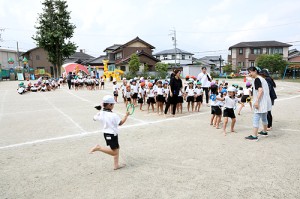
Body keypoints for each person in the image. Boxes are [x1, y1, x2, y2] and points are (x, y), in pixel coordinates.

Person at [90, 95, 129, 170]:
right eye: (112, 104)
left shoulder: (101, 113)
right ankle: (99, 148)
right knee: (115, 152)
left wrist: (100, 111)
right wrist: (126, 116)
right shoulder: (113, 115)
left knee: (117, 148)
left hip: (108, 133)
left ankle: (116, 165)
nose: (113, 106)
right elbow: (120, 123)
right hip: (111, 134)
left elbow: (94, 118)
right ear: (109, 105)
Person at [245, 67, 272, 141]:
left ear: (255, 71)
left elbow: (260, 90)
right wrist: (248, 76)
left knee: (256, 118)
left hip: (260, 102)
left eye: (250, 72)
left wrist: (257, 101)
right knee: (264, 117)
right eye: (249, 72)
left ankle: (254, 136)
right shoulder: (262, 78)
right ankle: (264, 131)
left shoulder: (257, 79)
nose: (250, 74)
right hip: (265, 102)